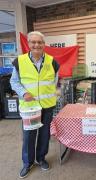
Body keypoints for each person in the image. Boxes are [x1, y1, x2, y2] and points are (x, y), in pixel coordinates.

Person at [10, 31, 59, 178]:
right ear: (28, 44)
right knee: (29, 136)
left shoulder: (53, 62)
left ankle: (41, 158)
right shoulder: (19, 61)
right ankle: (27, 163)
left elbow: (54, 83)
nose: (36, 45)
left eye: (40, 42)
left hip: (47, 106)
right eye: (33, 42)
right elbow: (14, 82)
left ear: (44, 44)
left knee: (44, 135)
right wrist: (24, 93)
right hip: (29, 108)